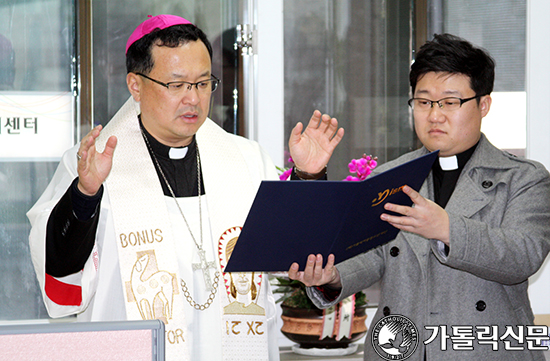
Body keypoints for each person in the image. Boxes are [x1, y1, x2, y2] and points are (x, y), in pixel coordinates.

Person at [27, 14, 344, 361]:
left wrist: (307, 178)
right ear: (135, 84)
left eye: (203, 83)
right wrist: (85, 195)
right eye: (176, 85)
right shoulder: (91, 164)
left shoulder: (244, 159)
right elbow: (62, 281)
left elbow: (288, 252)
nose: (193, 99)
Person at [288, 33, 550, 360]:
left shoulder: (523, 177)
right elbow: (368, 257)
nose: (434, 115)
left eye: (450, 102)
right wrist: (329, 275)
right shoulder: (390, 177)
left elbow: (523, 255)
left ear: (484, 104)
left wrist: (446, 228)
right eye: (424, 102)